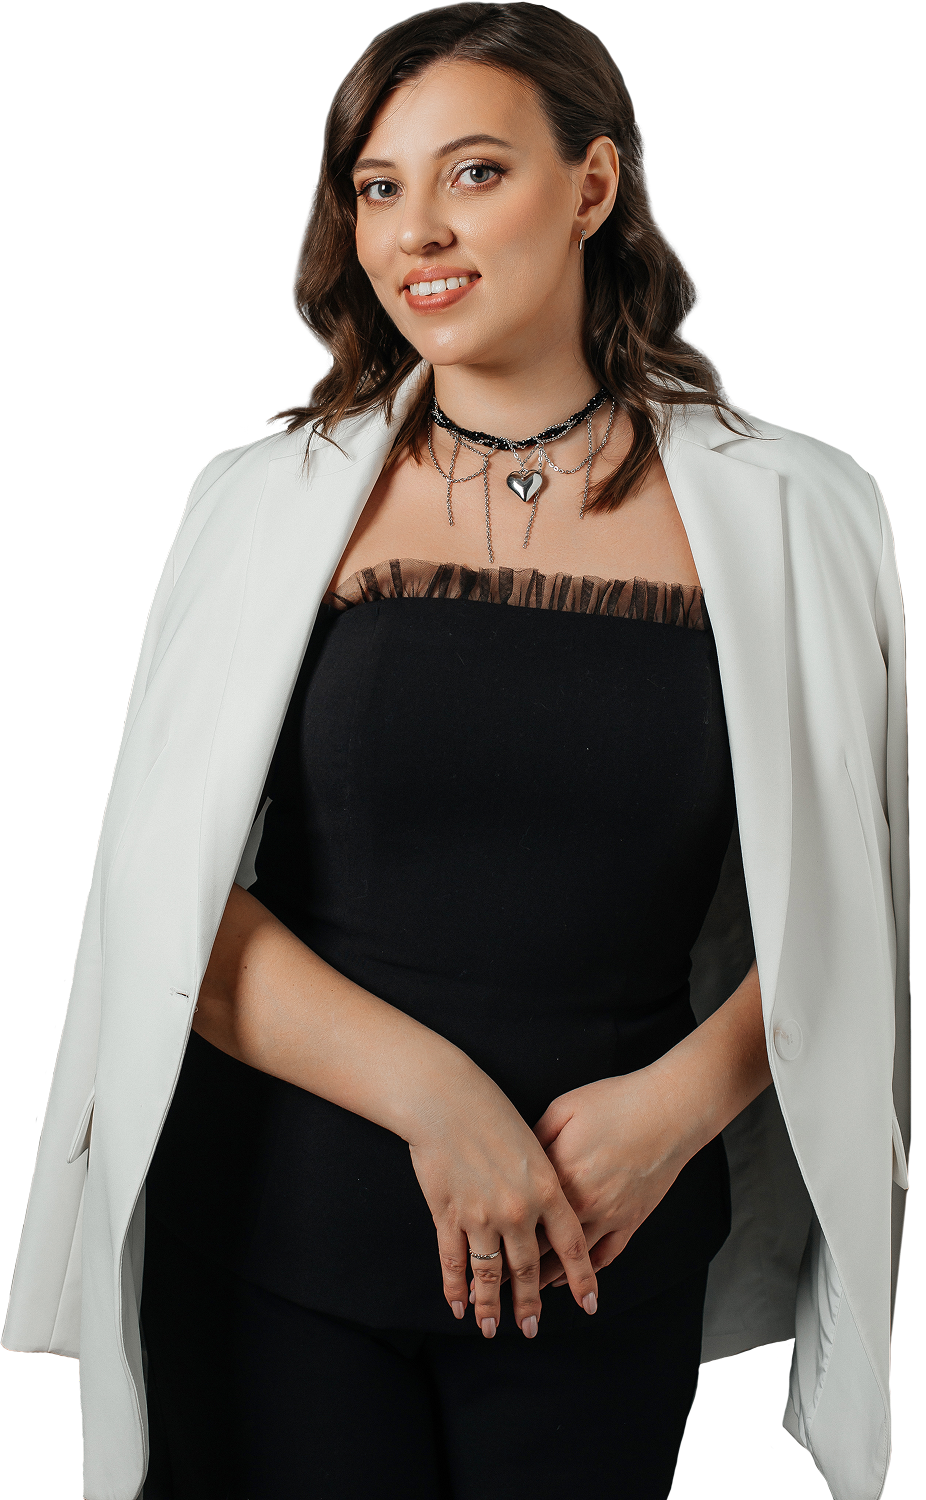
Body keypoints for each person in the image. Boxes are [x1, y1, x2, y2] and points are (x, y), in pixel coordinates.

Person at [2, 7, 909, 1500]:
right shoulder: (256, 503)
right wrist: (444, 1103)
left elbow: (849, 919)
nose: (415, 229)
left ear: (592, 186)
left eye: (473, 172)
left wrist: (674, 1109)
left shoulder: (801, 510)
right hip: (279, 1242)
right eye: (376, 186)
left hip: (605, 1251)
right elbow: (158, 921)